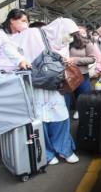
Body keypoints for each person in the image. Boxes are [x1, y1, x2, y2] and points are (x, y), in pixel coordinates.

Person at [13, 18, 80, 165]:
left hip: (54, 86)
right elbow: (13, 50)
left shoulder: (61, 41)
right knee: (39, 119)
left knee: (61, 116)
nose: (69, 38)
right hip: (34, 84)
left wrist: (65, 61)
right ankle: (47, 153)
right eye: (68, 33)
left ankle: (65, 150)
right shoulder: (31, 34)